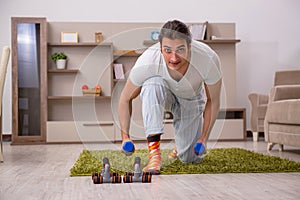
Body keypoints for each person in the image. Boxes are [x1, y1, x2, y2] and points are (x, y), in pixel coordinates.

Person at [118, 19, 222, 175]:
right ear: (160, 48)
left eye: (180, 50)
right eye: (167, 50)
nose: (174, 58)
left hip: (191, 98)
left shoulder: (208, 59)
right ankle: (154, 154)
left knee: (190, 158)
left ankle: (181, 144)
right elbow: (125, 98)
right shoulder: (147, 62)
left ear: (190, 46)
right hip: (163, 95)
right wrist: (125, 136)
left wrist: (204, 138)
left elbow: (213, 100)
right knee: (152, 82)